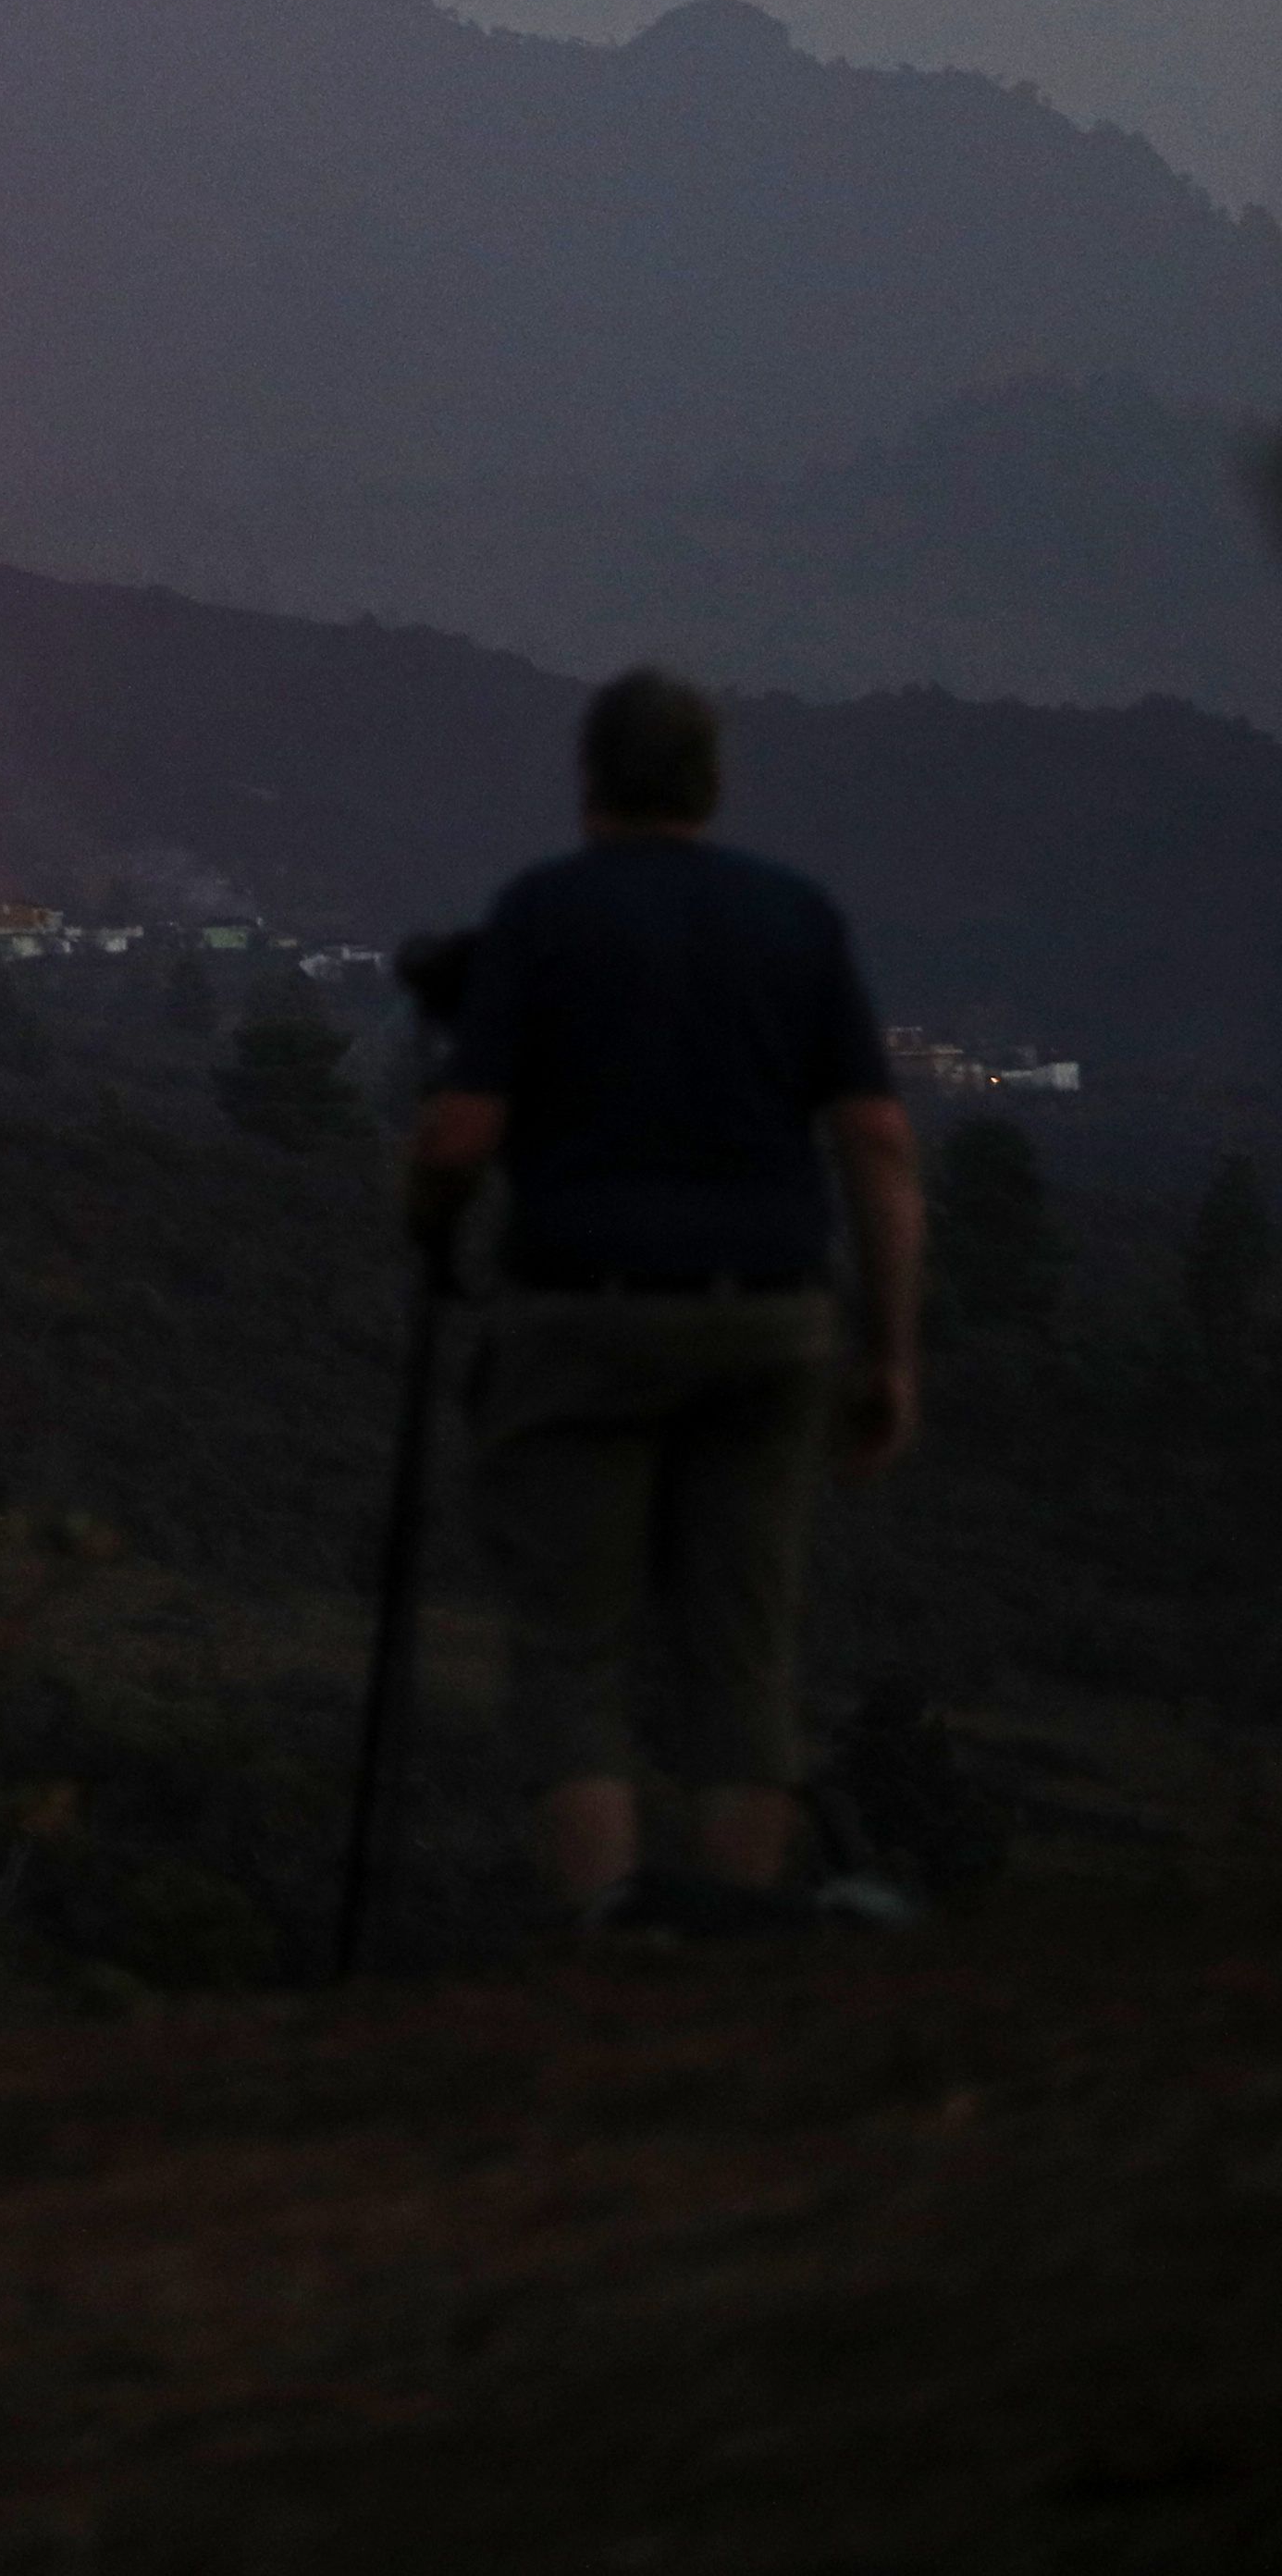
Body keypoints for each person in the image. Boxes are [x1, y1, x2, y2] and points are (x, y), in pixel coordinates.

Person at [407, 665, 922, 1936]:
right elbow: (878, 1146)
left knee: (571, 1646)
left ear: (591, 783)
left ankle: (616, 1935)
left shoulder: (545, 915)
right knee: (742, 1652)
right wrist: (891, 1352)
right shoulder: (797, 921)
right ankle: (736, 1955)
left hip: (584, 1318)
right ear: (711, 784)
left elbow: (463, 1132)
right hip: (771, 1325)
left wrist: (432, 1236)